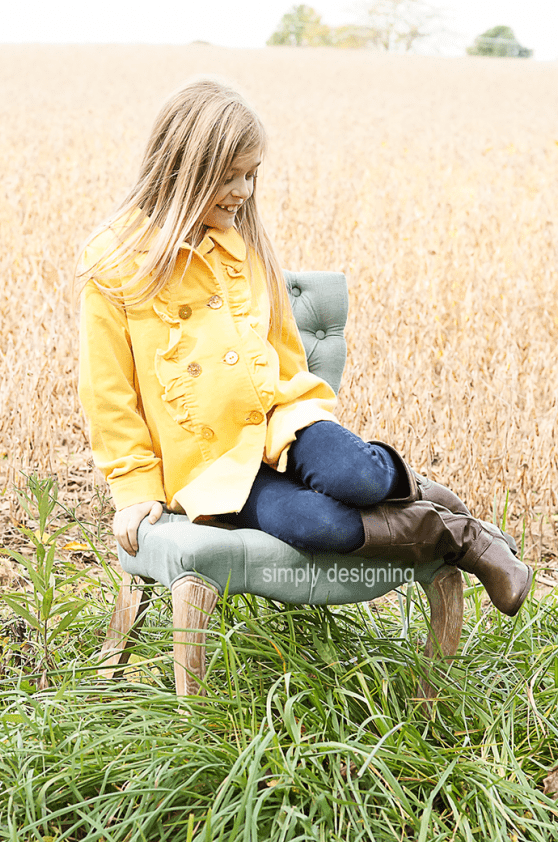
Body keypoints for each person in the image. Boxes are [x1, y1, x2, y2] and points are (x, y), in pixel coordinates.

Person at [77, 77, 532, 617]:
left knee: (355, 476)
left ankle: (433, 502)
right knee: (322, 525)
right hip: (210, 466)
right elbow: (109, 394)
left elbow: (285, 353)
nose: (245, 192)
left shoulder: (241, 247)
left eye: (252, 175)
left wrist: (311, 424)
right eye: (230, 177)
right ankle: (457, 534)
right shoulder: (114, 259)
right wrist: (134, 490)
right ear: (183, 168)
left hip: (280, 421)